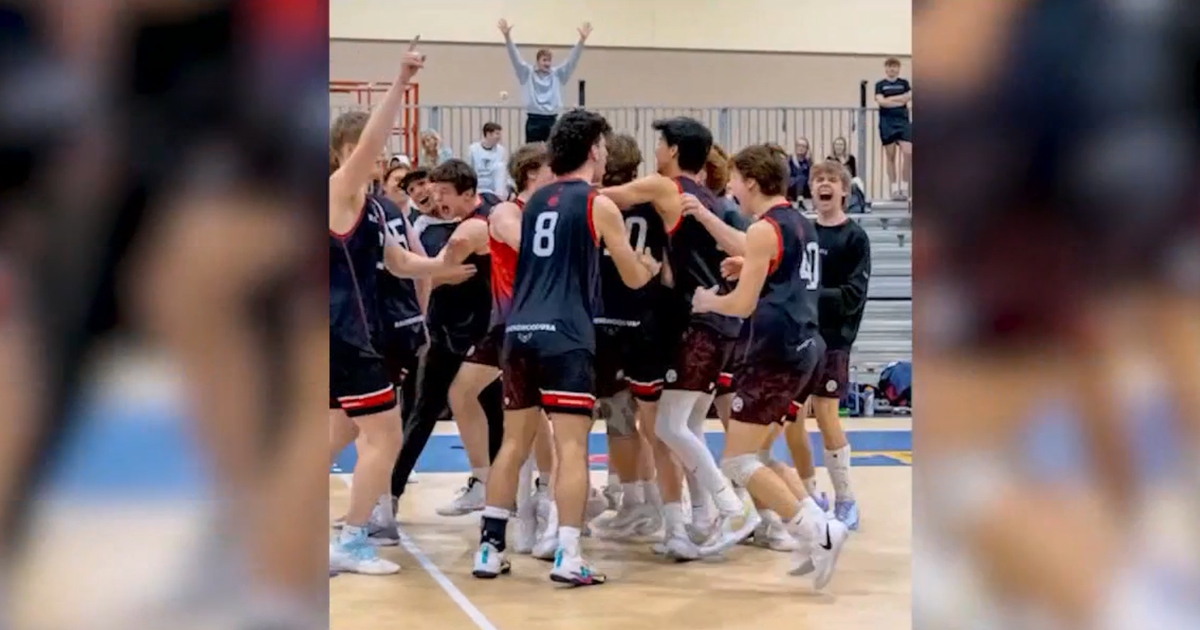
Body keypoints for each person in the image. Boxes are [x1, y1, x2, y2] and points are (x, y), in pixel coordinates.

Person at [472, 109, 659, 586]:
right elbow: (632, 276)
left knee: (513, 443)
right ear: (595, 149)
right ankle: (570, 554)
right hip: (567, 335)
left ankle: (489, 549)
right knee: (571, 445)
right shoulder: (598, 204)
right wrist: (648, 266)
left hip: (518, 332)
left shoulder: (534, 203)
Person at [329, 43, 471, 575]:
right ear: (345, 151)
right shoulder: (340, 190)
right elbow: (369, 143)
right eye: (366, 148)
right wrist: (400, 79)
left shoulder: (369, 208)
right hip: (344, 333)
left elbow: (398, 260)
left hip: (344, 333)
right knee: (384, 434)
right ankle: (351, 538)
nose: (377, 156)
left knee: (337, 432)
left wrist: (443, 267)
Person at [691, 144, 850, 588]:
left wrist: (707, 302)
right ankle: (813, 528)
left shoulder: (765, 228)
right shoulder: (798, 222)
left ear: (753, 182)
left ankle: (819, 532)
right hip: (805, 347)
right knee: (759, 454)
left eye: (737, 179)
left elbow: (741, 304)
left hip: (775, 353)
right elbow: (777, 264)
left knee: (739, 462)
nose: (733, 186)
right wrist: (745, 258)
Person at [600, 117, 753, 559]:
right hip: (720, 322)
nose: (657, 150)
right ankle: (702, 516)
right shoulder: (708, 197)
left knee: (666, 427)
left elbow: (612, 195)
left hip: (695, 321)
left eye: (661, 143)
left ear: (672, 149)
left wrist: (563, 192)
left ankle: (729, 505)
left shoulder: (667, 187)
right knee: (686, 428)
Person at [450, 142, 558, 555]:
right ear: (533, 173)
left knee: (540, 421)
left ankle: (542, 501)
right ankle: (498, 494)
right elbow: (532, 248)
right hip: (514, 325)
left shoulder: (545, 210)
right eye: (552, 170)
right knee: (519, 425)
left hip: (541, 327)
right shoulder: (508, 212)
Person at [388, 159, 505, 517]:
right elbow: (413, 275)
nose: (427, 194)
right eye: (413, 191)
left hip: (483, 329)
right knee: (423, 411)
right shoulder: (419, 229)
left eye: (432, 187)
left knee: (496, 412)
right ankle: (391, 494)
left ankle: (494, 488)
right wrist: (442, 277)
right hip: (442, 332)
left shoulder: (485, 213)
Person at [589, 134, 669, 541]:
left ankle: (636, 502)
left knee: (618, 417)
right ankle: (647, 499)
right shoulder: (655, 204)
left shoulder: (597, 204)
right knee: (647, 420)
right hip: (647, 319)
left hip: (608, 317)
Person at [785, 160, 872, 531]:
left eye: (831, 180)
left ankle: (846, 497)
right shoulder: (802, 232)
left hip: (834, 339)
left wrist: (807, 296)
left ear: (844, 192)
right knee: (791, 419)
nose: (824, 184)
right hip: (798, 336)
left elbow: (852, 295)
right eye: (818, 178)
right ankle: (808, 494)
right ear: (810, 189)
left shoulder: (855, 238)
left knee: (826, 414)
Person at [497, 19, 592, 143]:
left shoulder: (557, 74)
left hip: (551, 119)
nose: (547, 63)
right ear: (538, 61)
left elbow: (571, 62)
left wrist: (581, 41)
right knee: (532, 154)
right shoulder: (527, 73)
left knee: (552, 152)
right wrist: (507, 37)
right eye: (544, 60)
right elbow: (515, 58)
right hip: (534, 119)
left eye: (549, 60)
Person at [874, 57, 912, 200]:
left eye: (895, 66)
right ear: (886, 68)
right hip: (887, 122)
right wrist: (898, 100)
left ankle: (905, 186)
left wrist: (890, 100)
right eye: (889, 66)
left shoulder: (904, 83)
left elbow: (907, 98)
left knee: (908, 152)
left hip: (902, 121)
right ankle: (894, 189)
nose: (892, 69)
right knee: (891, 156)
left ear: (898, 68)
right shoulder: (880, 84)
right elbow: (881, 102)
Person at [467, 122, 510, 198]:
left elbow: (503, 173)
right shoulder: (473, 149)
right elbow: (469, 169)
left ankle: (499, 198)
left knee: (501, 166)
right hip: (479, 184)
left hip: (494, 186)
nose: (499, 137)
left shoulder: (501, 150)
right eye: (497, 134)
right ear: (488, 134)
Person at [787, 138, 812, 202]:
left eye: (803, 146)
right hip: (791, 189)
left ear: (807, 149)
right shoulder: (789, 160)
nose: (801, 148)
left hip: (805, 192)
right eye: (799, 145)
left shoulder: (808, 162)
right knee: (801, 178)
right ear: (795, 147)